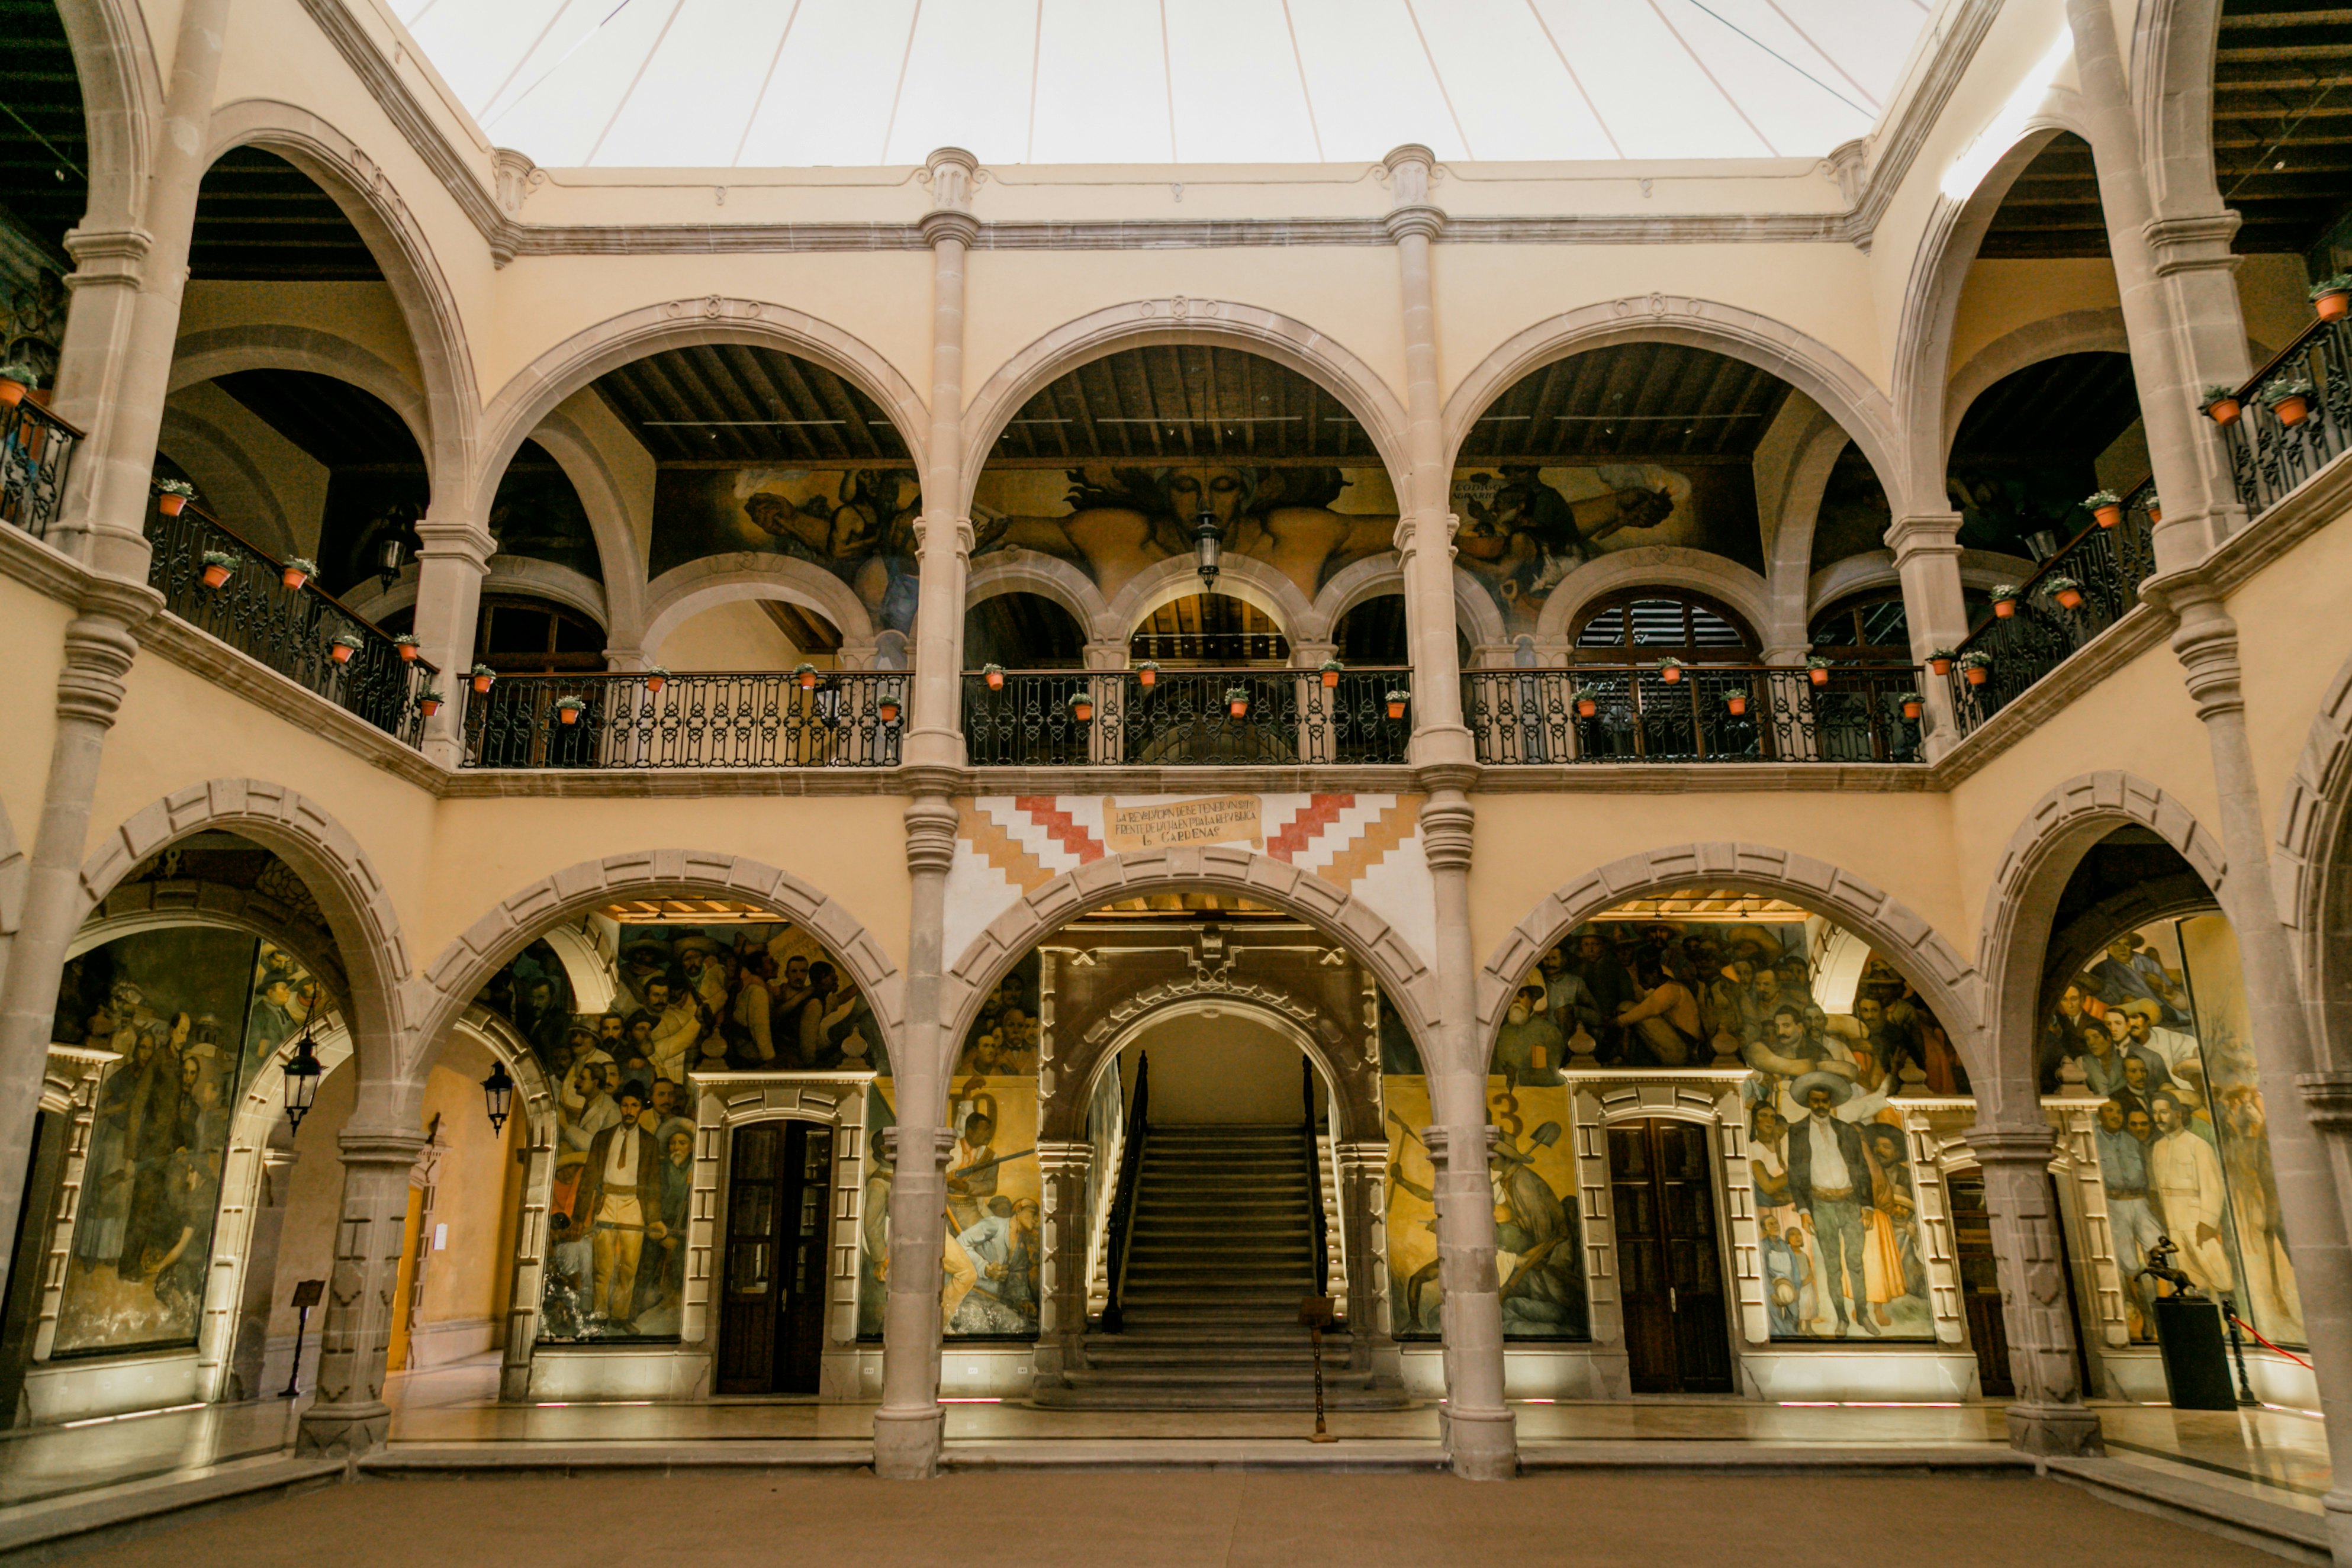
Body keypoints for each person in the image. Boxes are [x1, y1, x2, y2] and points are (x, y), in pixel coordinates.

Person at [1779, 1070, 1890, 1335]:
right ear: (1808, 1102)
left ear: (1831, 1102)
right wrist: (1805, 1211)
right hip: (1821, 1205)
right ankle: (1842, 1318)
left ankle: (1862, 1315)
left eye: (1825, 1101)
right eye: (1815, 1101)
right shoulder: (1797, 1132)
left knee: (1855, 1263)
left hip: (1851, 1203)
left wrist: (1867, 1207)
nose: (1820, 1105)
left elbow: (1861, 1169)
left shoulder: (1846, 1131)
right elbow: (1796, 1174)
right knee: (1832, 1265)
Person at [577, 1083, 665, 1325]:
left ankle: (620, 1315)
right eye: (625, 1105)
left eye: (634, 1106)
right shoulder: (603, 1138)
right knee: (602, 1265)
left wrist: (654, 1218)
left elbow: (654, 1183)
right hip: (606, 1202)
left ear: (641, 1109)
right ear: (620, 1107)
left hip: (633, 1205)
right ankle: (599, 1314)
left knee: (628, 1266)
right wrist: (578, 1217)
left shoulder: (649, 1142)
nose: (629, 1110)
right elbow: (588, 1178)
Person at [2148, 1087, 2234, 1296]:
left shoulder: (2198, 1146)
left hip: (2197, 1221)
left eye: (2164, 1112)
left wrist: (2207, 1222)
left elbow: (2212, 1187)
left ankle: (2235, 1324)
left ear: (2178, 1114)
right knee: (2191, 1277)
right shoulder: (2158, 1147)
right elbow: (2161, 1189)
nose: (2159, 1118)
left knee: (2218, 1272)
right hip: (2174, 1222)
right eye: (2155, 1113)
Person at [2094, 1096, 2164, 1336]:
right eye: (2110, 1111)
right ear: (2099, 1115)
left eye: (2119, 1112)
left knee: (2159, 1250)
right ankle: (2146, 1316)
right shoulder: (2092, 1140)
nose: (2116, 1116)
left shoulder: (2132, 1140)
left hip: (2140, 1202)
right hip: (2114, 1204)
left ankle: (2165, 1312)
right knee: (2129, 1265)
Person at [1615, 952, 1706, 1066]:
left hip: (1682, 1051)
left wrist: (1615, 1022)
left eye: (1644, 977)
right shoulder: (1670, 986)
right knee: (1628, 1011)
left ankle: (1622, 1058)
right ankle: (1623, 1057)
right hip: (1681, 1047)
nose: (1641, 981)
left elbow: (1642, 1012)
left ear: (1655, 974)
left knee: (1626, 1008)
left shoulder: (1670, 989)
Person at [1492, 984, 1566, 1086]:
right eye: (1511, 996)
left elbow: (1555, 1076)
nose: (1515, 1000)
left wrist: (1518, 1076)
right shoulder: (1501, 1032)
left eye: (1521, 996)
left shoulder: (1549, 1031)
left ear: (1533, 1001)